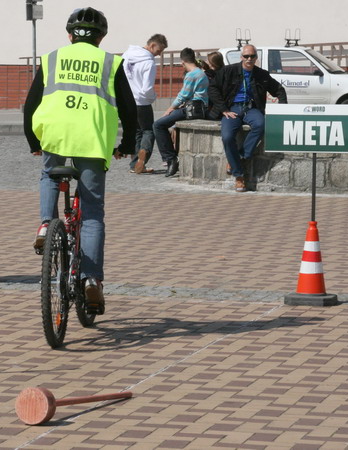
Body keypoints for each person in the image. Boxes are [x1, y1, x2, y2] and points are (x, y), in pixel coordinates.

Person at [24, 7, 137, 315]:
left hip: (56, 135)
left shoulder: (51, 59)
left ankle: (46, 225)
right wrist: (127, 144)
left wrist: (34, 141)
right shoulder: (111, 62)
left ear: (70, 35)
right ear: (101, 37)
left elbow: (30, 104)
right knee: (91, 214)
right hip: (92, 140)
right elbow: (129, 109)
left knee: (49, 175)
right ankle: (91, 281)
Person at [208, 44, 287, 192]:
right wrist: (223, 108)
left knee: (260, 125)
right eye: (246, 56)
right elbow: (212, 88)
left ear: (256, 57)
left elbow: (279, 90)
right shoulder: (228, 71)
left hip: (252, 108)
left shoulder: (261, 74)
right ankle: (239, 176)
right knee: (227, 136)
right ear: (241, 57)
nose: (249, 59)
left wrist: (283, 110)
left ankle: (238, 158)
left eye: (252, 56)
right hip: (233, 109)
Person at [153, 47, 209, 177]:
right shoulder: (201, 72)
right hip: (200, 108)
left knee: (158, 125)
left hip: (191, 109)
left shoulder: (192, 75)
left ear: (182, 62)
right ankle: (171, 158)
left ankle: (170, 159)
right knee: (170, 126)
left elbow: (183, 95)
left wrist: (170, 109)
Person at [121, 34, 168, 174]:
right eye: (159, 51)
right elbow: (147, 88)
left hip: (128, 101)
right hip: (142, 102)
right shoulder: (149, 62)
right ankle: (142, 157)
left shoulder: (127, 55)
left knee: (137, 131)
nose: (159, 55)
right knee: (148, 131)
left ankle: (134, 164)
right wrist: (153, 97)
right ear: (152, 45)